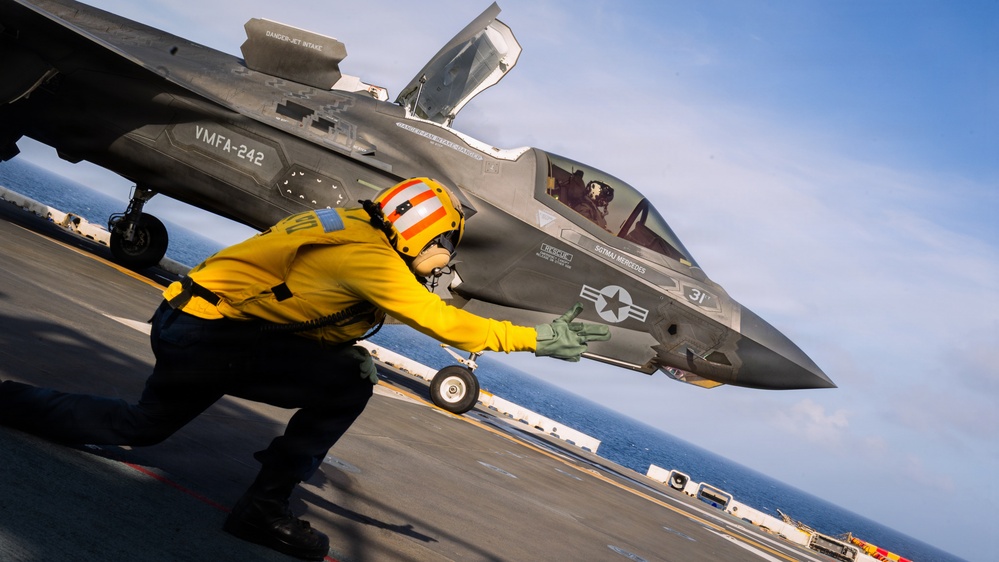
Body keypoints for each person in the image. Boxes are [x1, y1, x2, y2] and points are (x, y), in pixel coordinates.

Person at [0, 177, 610, 561]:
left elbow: (326, 309)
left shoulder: (350, 225)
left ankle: (7, 402)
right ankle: (263, 509)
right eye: (442, 245)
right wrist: (543, 339)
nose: (443, 258)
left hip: (198, 323)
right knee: (350, 378)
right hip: (209, 336)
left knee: (143, 423)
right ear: (419, 230)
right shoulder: (369, 258)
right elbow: (447, 325)